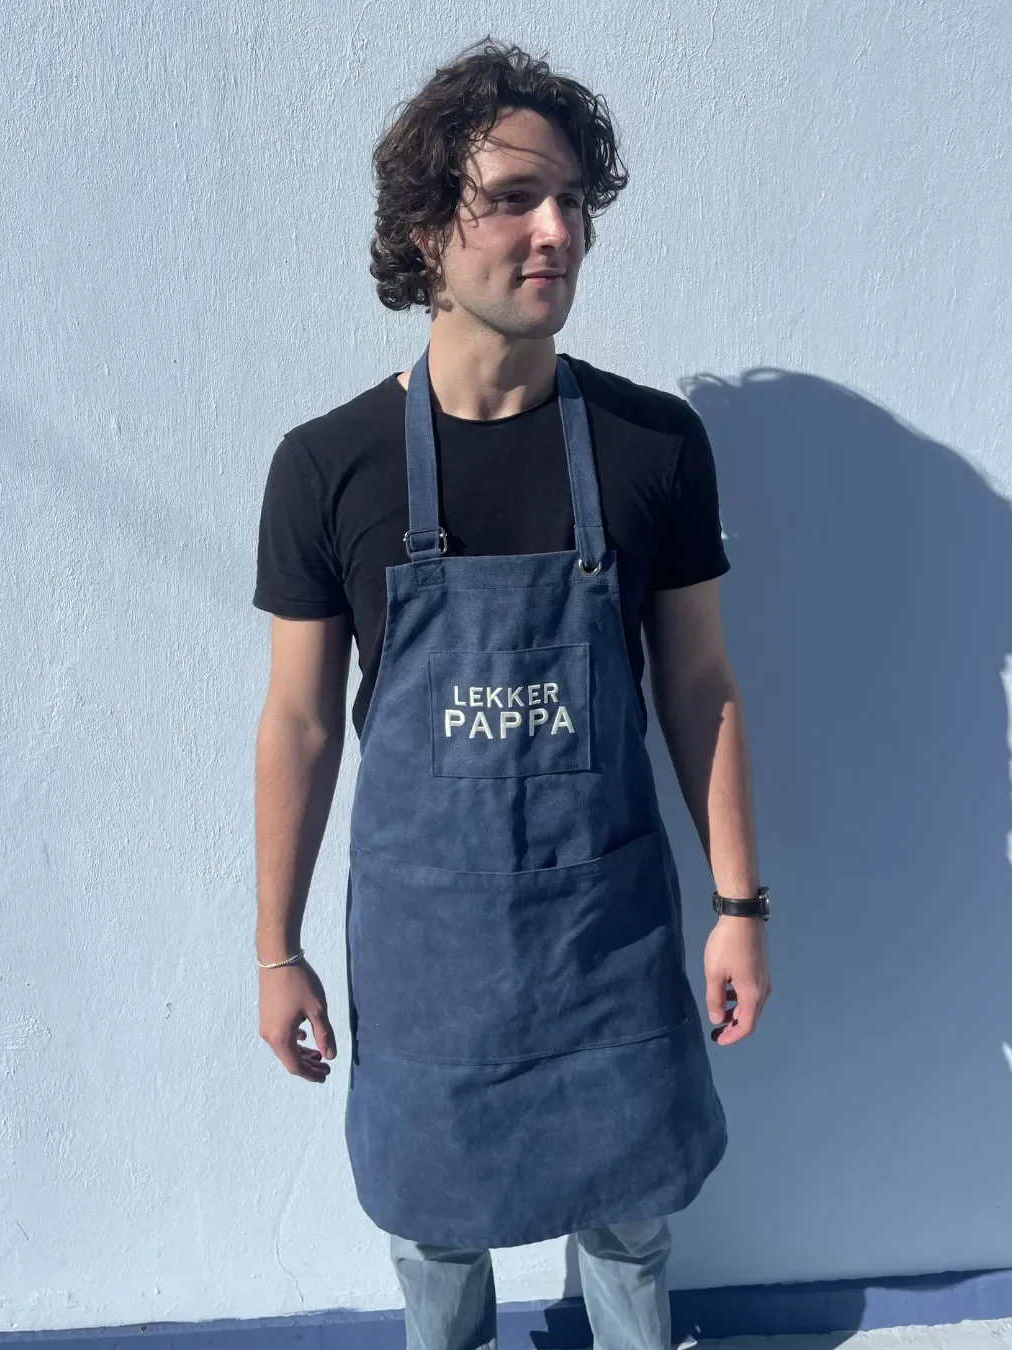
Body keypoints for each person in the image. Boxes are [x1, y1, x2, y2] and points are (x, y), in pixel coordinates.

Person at [252, 36, 771, 1350]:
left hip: (606, 926)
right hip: (429, 947)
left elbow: (699, 683)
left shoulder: (654, 445)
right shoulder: (329, 465)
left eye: (576, 202)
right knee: (434, 1216)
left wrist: (739, 902)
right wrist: (276, 945)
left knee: (630, 1204)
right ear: (429, 227)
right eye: (516, 199)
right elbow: (301, 723)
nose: (558, 232)